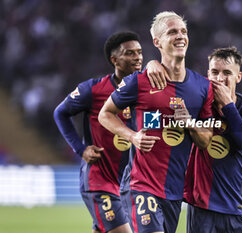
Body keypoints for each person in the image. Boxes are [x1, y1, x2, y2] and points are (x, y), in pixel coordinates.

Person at [98, 11, 213, 233]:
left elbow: (206, 140)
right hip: (140, 185)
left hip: (174, 191)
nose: (180, 36)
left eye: (183, 31)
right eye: (172, 32)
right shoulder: (139, 81)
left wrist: (189, 123)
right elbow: (105, 114)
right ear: (157, 42)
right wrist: (132, 136)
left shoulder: (203, 87)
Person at [53, 31, 165, 233]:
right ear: (114, 60)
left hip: (130, 184)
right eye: (130, 53)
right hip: (100, 181)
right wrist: (81, 149)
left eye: (139, 52)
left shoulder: (147, 92)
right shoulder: (93, 90)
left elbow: (150, 127)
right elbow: (60, 113)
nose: (138, 57)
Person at [184, 46, 242, 233]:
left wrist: (228, 105)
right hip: (202, 208)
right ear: (207, 74)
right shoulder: (196, 103)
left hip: (235, 207)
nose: (220, 78)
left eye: (227, 73)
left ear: (239, 77)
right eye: (215, 72)